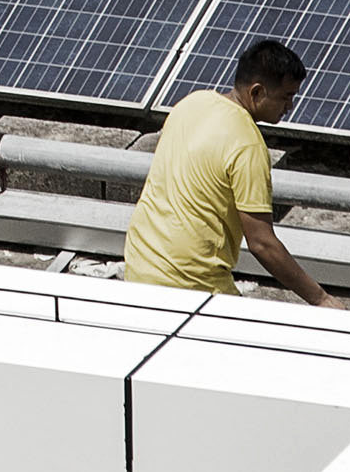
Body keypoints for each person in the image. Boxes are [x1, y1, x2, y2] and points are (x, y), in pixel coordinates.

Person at [121, 39, 335, 305]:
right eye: (285, 97)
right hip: (190, 285)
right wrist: (321, 298)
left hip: (139, 265)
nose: (290, 106)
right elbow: (261, 243)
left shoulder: (191, 103)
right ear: (256, 93)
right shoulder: (248, 144)